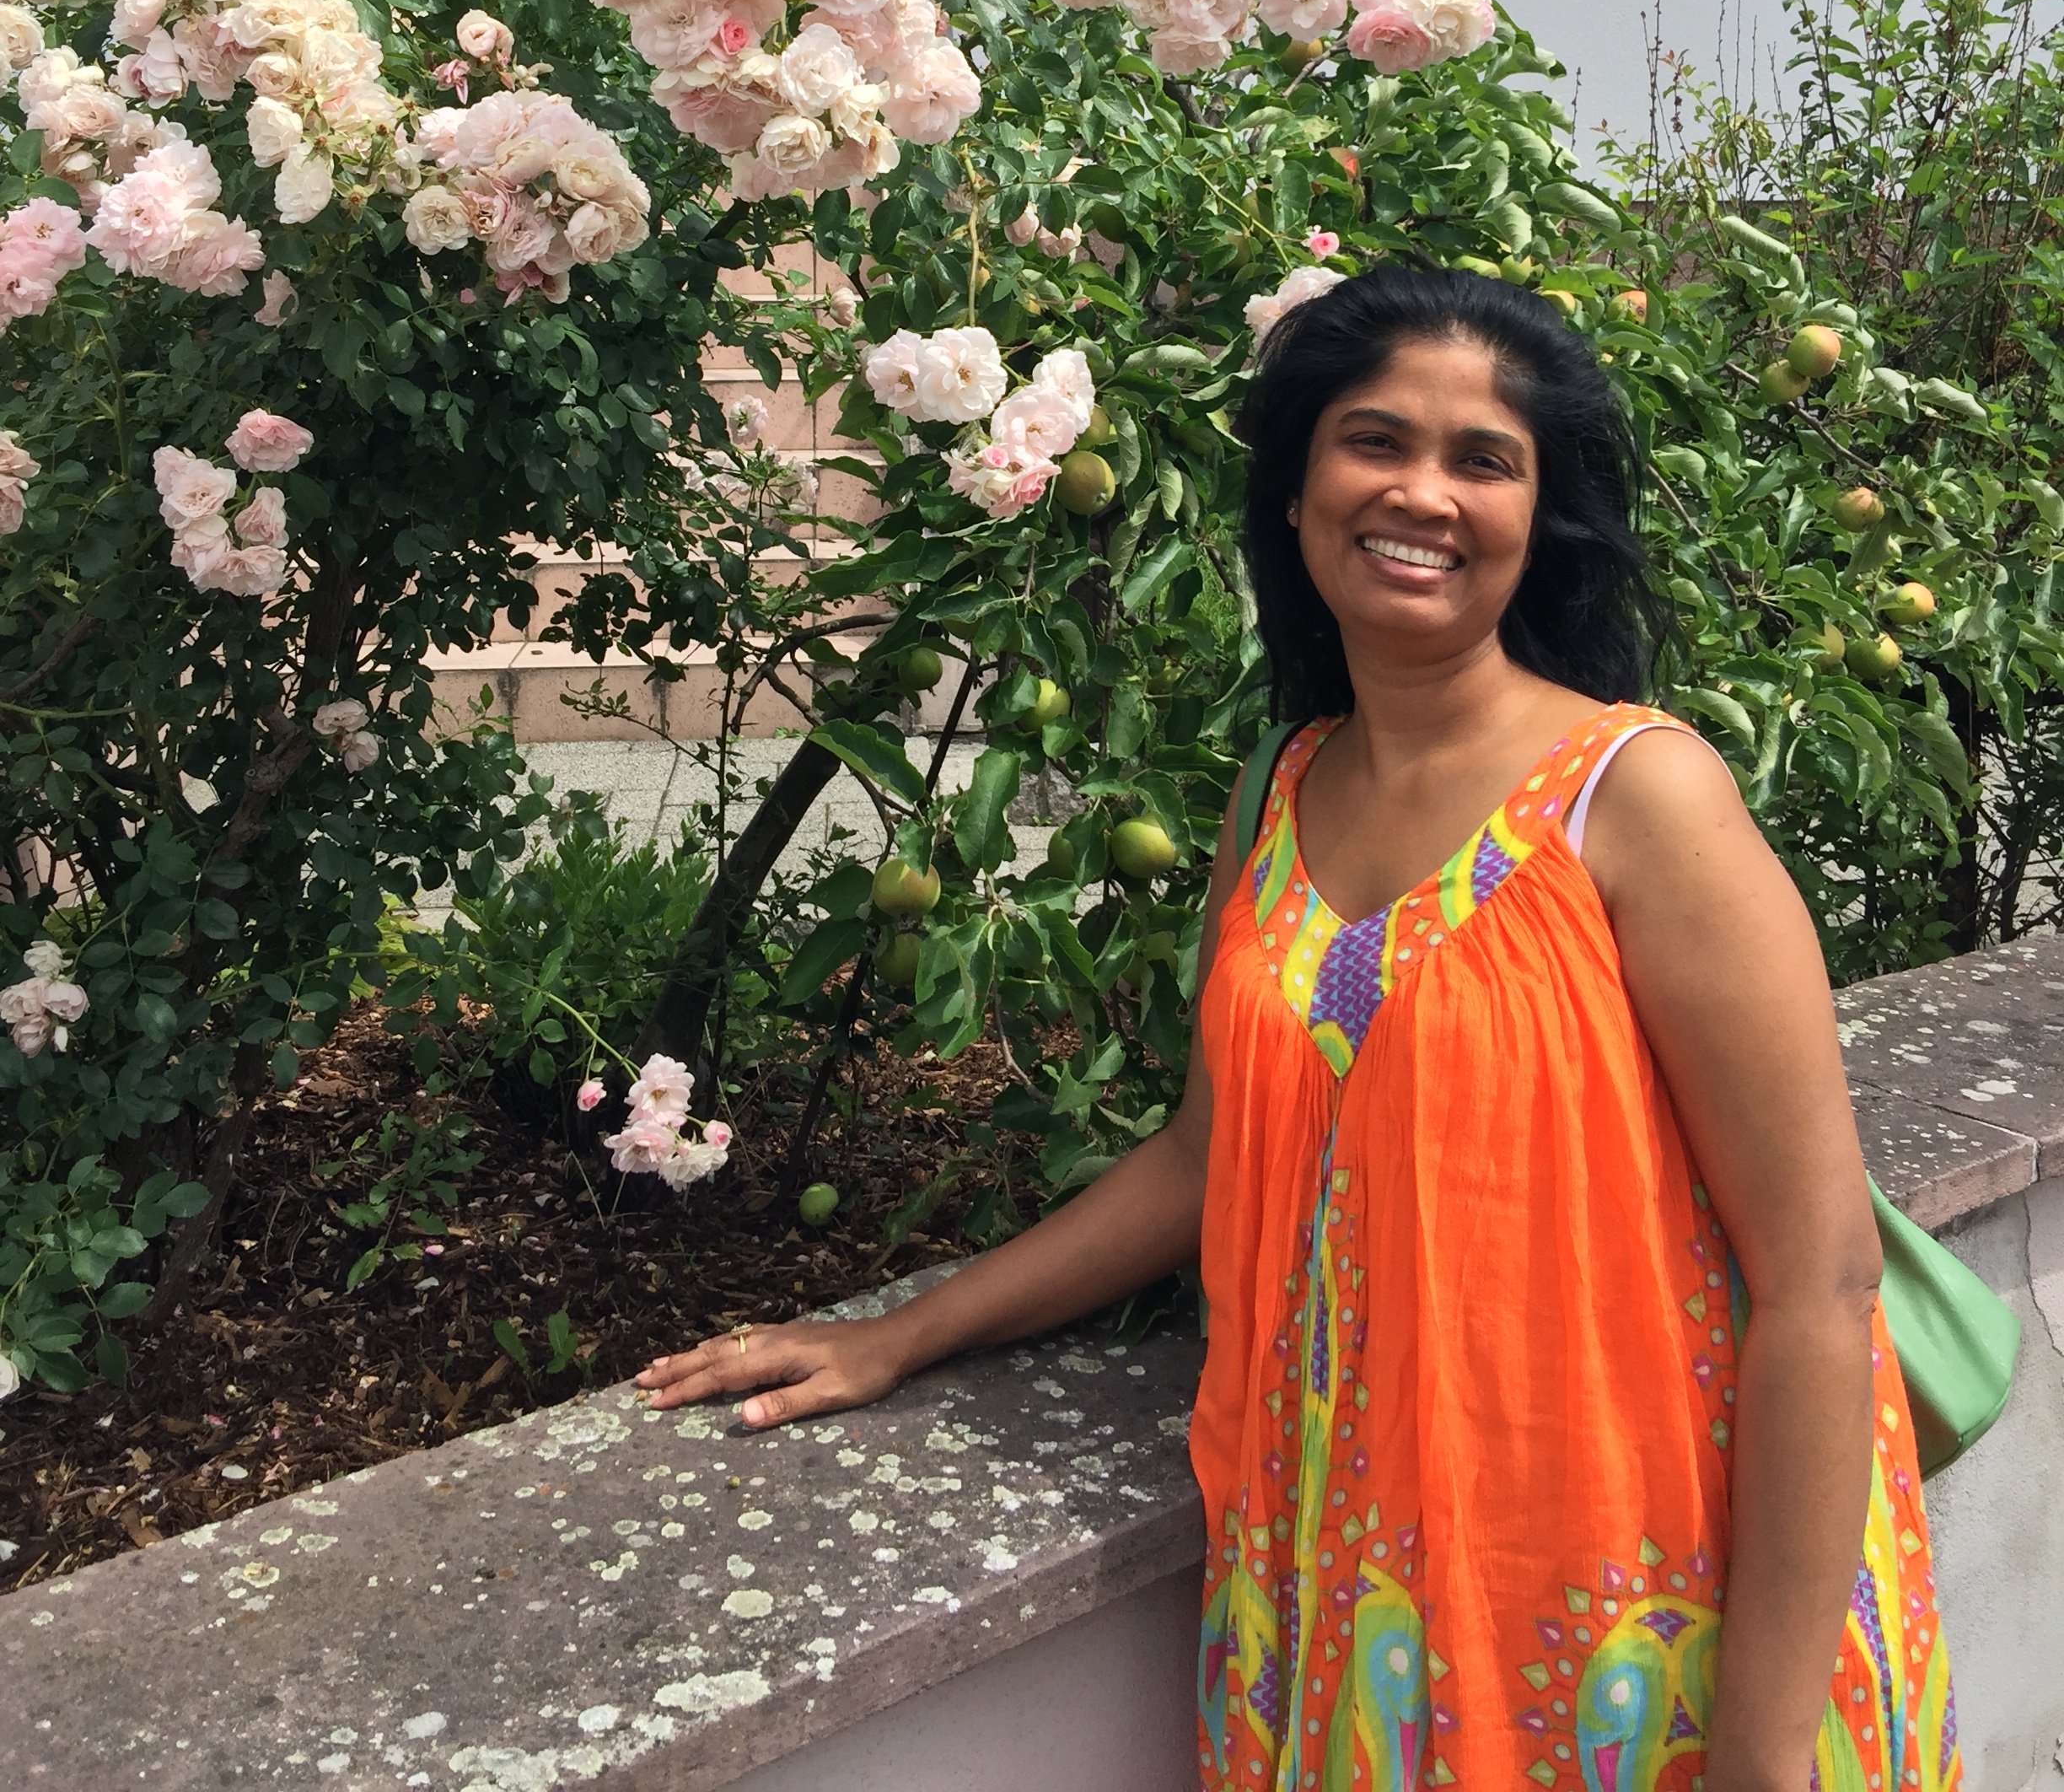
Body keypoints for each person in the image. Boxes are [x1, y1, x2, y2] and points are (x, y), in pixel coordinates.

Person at [638, 265, 1958, 1791]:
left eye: (1483, 459)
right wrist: (900, 1336)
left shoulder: (1636, 795)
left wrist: (1765, 1757)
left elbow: (1820, 1283)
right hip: (1353, 1582)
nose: (1422, 493)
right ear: (1297, 486)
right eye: (1374, 440)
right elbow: (1204, 1156)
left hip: (1644, 1594)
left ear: (1541, 517)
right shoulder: (1282, 791)